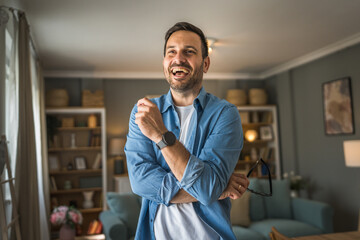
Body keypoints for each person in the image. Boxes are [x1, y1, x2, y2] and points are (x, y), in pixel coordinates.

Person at [125, 22, 249, 240]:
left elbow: (207, 188)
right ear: (164, 62)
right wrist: (215, 189)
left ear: (206, 63)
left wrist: (161, 135)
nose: (178, 58)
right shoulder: (143, 112)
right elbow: (140, 182)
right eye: (171, 51)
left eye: (189, 52)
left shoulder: (225, 114)